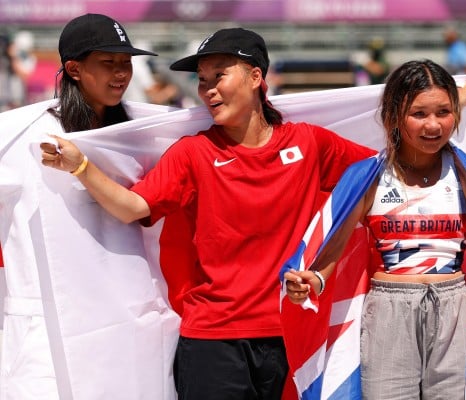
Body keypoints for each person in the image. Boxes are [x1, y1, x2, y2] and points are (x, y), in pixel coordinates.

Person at [39, 27, 377, 399]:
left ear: (255, 77)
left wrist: (325, 264)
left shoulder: (309, 143)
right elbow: (132, 208)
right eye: (201, 80)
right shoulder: (192, 153)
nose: (207, 89)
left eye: (219, 75)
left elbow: (381, 178)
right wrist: (81, 166)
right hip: (213, 341)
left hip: (293, 336)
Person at [284, 59, 466, 399]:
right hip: (388, 313)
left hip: (454, 311)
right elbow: (329, 249)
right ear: (394, 116)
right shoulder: (369, 177)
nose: (433, 125)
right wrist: (312, 280)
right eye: (419, 114)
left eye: (444, 112)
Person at [0, 13, 182, 400]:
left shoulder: (142, 133)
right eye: (109, 63)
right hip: (49, 323)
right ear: (74, 69)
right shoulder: (22, 134)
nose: (121, 74)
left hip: (129, 318)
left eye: (126, 64)